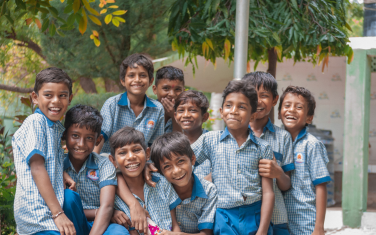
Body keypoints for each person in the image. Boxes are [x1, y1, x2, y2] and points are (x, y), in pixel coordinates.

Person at [191, 80, 274, 235]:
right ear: (222, 112)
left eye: (242, 107)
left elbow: (268, 192)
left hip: (254, 215)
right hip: (224, 215)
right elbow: (184, 159)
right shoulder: (210, 140)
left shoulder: (263, 147)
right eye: (229, 105)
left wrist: (262, 230)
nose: (234, 111)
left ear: (252, 115)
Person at [12, 67, 76, 235]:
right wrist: (58, 214)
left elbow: (47, 162)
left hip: (49, 209)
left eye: (62, 95)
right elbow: (37, 167)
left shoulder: (53, 127)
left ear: (70, 98)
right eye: (48, 95)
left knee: (72, 199)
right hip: (36, 214)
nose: (56, 101)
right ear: (35, 97)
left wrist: (62, 174)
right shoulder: (36, 121)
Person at [62, 105, 128, 234]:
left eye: (89, 138)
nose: (81, 144)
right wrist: (96, 212)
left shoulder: (104, 164)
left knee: (119, 233)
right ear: (64, 135)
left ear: (98, 140)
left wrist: (101, 213)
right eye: (75, 136)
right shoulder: (57, 164)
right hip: (71, 224)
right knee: (68, 196)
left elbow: (107, 206)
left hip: (102, 224)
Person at [242, 72, 294, 235]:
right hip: (242, 218)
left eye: (264, 95)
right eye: (252, 95)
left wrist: (278, 173)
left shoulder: (283, 137)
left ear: (274, 100)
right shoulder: (233, 135)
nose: (257, 101)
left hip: (276, 218)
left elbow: (286, 185)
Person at [108, 127, 182, 234]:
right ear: (113, 161)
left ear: (147, 154)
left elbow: (175, 225)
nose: (131, 156)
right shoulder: (112, 196)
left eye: (136, 150)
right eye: (122, 152)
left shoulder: (162, 182)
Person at [278, 86, 331, 235]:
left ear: (309, 117)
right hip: (280, 221)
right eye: (287, 105)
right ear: (278, 113)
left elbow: (321, 186)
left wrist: (319, 227)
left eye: (299, 107)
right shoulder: (275, 142)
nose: (291, 110)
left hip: (305, 223)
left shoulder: (312, 144)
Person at [94, 53, 164, 154]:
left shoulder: (157, 109)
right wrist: (93, 164)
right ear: (123, 81)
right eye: (131, 75)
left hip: (140, 164)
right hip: (111, 162)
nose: (137, 80)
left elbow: (155, 146)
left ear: (150, 81)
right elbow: (99, 138)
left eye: (143, 75)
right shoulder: (112, 105)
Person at [150, 132, 217, 235]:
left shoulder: (209, 191)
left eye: (180, 161)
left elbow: (206, 234)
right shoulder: (159, 189)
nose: (176, 171)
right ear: (160, 171)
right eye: (167, 166)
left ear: (192, 159)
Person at [152, 66, 185, 133]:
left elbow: (181, 141)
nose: (172, 94)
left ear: (183, 91)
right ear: (155, 89)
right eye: (166, 88)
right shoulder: (147, 111)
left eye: (177, 89)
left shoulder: (187, 114)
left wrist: (174, 117)